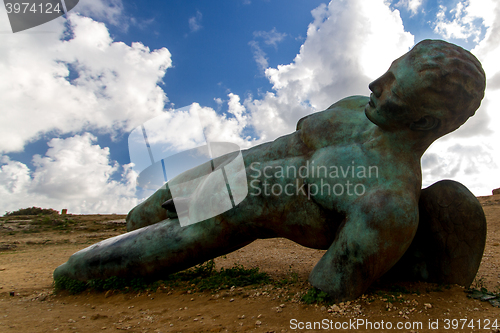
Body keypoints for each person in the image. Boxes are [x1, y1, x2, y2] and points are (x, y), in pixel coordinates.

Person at [54, 40, 486, 301]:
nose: (376, 83)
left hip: (236, 208)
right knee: (140, 214)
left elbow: (330, 286)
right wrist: (208, 181)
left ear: (425, 122)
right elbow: (276, 147)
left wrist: (263, 203)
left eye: (394, 86)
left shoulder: (387, 202)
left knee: (74, 272)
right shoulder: (355, 109)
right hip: (232, 174)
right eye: (389, 72)